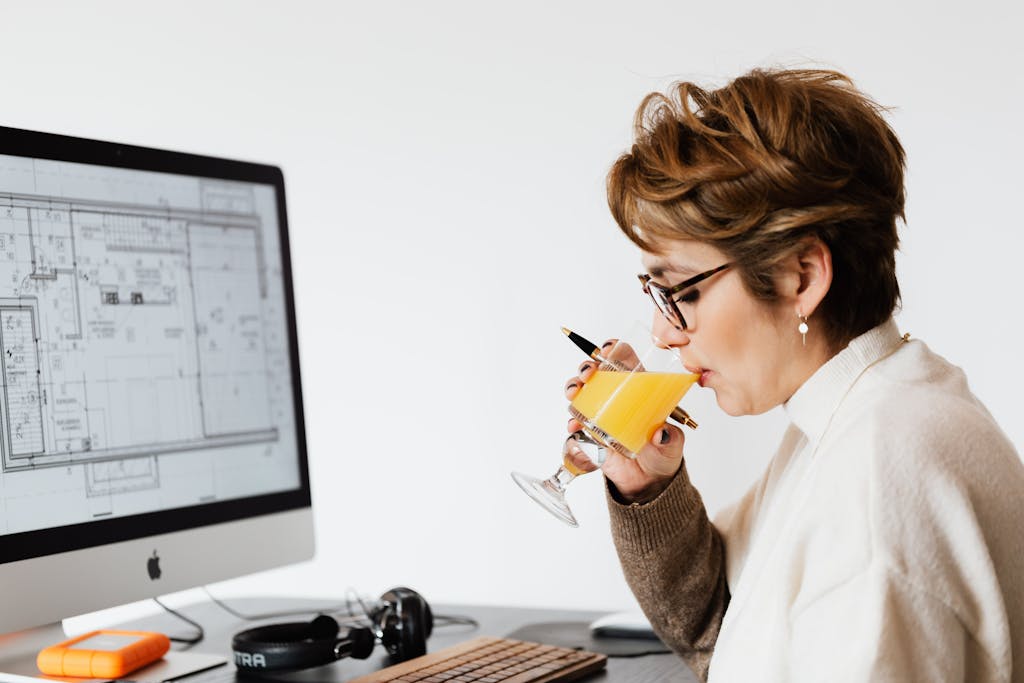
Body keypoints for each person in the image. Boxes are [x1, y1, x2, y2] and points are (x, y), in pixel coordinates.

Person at [563, 68, 1024, 681]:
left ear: (800, 277)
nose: (661, 333)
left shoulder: (877, 482)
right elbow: (719, 631)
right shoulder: (861, 414)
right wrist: (649, 488)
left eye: (680, 291)